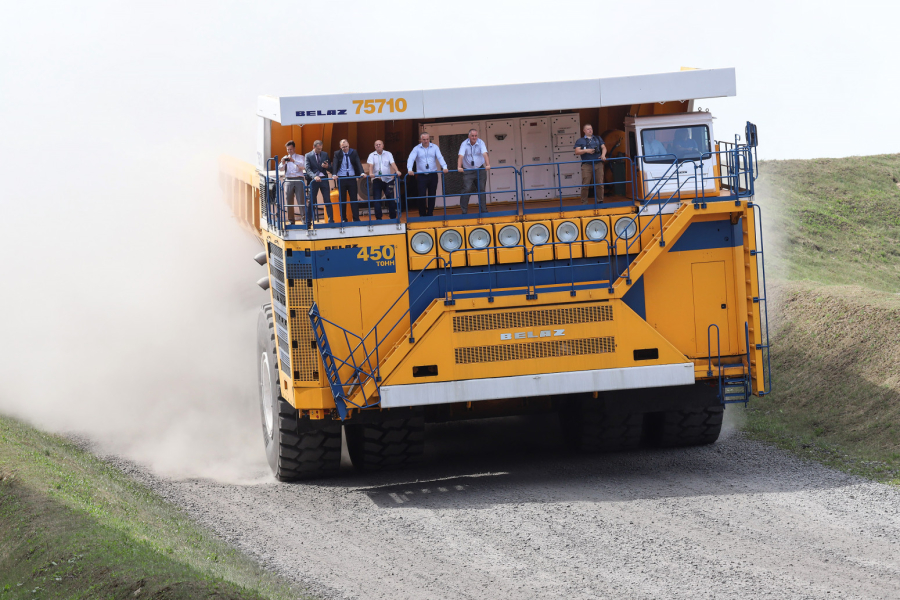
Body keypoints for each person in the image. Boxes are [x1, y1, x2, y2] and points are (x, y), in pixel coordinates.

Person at [407, 132, 448, 217]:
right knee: (421, 195)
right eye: (424, 139)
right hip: (421, 175)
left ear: (429, 139)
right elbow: (411, 158)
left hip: (433, 174)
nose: (426, 141)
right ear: (420, 140)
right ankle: (422, 214)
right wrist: (410, 169)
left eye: (427, 139)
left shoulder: (435, 147)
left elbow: (440, 157)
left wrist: (444, 167)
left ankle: (430, 213)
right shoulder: (416, 148)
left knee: (432, 195)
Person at [457, 129, 491, 214]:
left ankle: (484, 210)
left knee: (482, 189)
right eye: (472, 136)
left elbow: (485, 153)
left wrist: (488, 164)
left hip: (480, 169)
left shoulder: (481, 142)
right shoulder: (464, 143)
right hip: (468, 171)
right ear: (469, 136)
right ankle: (464, 211)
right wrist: (459, 167)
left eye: (475, 136)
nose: (474, 137)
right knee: (467, 189)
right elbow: (460, 156)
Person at [365, 140, 402, 220]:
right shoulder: (371, 155)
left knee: (391, 198)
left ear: (383, 145)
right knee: (377, 199)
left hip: (388, 179)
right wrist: (371, 173)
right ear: (374, 146)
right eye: (376, 145)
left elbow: (393, 163)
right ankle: (378, 218)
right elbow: (370, 165)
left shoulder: (388, 154)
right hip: (377, 180)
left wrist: (397, 170)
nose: (378, 146)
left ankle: (393, 217)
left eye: (379, 144)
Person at [331, 139, 365, 222]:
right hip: (342, 178)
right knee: (342, 200)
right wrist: (334, 174)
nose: (345, 148)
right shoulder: (337, 153)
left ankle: (356, 218)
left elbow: (358, 162)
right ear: (340, 147)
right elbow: (335, 164)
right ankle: (343, 218)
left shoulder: (353, 152)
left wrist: (362, 172)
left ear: (349, 145)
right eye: (343, 147)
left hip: (351, 178)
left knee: (354, 199)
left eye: (346, 146)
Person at [574, 124, 607, 204]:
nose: (590, 130)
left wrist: (603, 155)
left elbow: (604, 147)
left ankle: (600, 201)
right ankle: (584, 202)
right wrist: (586, 151)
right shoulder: (580, 140)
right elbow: (577, 152)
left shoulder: (598, 138)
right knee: (585, 184)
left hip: (598, 163)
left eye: (591, 129)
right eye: (588, 129)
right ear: (584, 131)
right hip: (587, 165)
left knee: (600, 183)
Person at [304, 141, 333, 223]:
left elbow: (330, 167)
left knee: (327, 199)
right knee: (311, 201)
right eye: (318, 149)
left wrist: (327, 166)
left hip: (324, 179)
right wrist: (314, 176)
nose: (320, 150)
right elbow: (307, 169)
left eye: (321, 149)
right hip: (313, 181)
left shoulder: (325, 154)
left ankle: (331, 220)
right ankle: (308, 221)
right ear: (313, 147)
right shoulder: (308, 155)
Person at [279, 141, 306, 223]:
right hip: (288, 180)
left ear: (294, 148)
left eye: (290, 149)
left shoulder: (300, 157)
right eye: (288, 150)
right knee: (289, 200)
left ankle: (304, 219)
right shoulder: (284, 158)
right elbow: (280, 169)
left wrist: (293, 161)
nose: (289, 151)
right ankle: (291, 220)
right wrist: (283, 163)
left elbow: (303, 167)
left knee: (301, 199)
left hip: (298, 179)